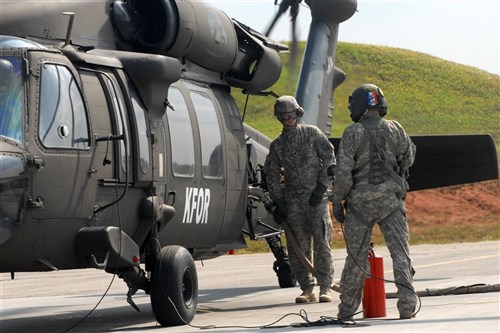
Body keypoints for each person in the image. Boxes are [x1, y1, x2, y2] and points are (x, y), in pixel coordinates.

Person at [331, 83, 417, 320]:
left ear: (358, 106)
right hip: (391, 203)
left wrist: (338, 202)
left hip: (360, 206)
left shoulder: (352, 132)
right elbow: (409, 158)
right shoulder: (395, 129)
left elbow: (343, 173)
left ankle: (347, 310)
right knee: (400, 254)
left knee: (356, 259)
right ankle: (407, 306)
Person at [264, 95, 336, 303]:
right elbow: (272, 175)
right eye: (284, 115)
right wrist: (279, 201)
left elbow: (330, 159)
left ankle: (325, 287)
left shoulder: (312, 134)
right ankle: (307, 288)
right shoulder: (277, 145)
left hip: (317, 199)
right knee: (298, 248)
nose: (288, 118)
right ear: (279, 118)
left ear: (298, 113)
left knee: (322, 243)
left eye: (291, 114)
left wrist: (321, 187)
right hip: (293, 202)